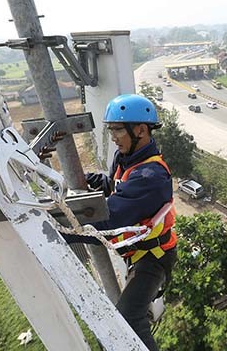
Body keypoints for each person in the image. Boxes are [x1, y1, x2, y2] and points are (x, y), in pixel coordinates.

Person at [62, 93, 177, 351]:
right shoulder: (127, 160)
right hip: (137, 252)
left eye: (117, 130)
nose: (113, 137)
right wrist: (90, 180)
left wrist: (58, 231)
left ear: (140, 130)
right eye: (111, 130)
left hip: (154, 258)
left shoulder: (150, 175)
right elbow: (116, 186)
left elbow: (108, 221)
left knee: (129, 319)